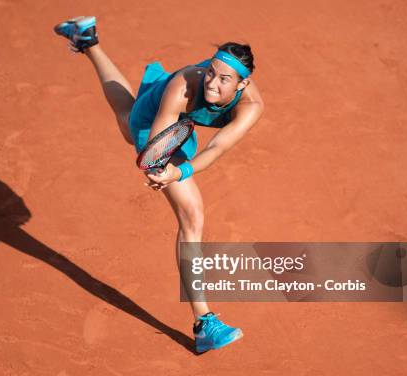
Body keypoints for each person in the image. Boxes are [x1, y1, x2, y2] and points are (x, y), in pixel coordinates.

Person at [54, 16, 264, 353]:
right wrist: (160, 170)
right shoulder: (186, 84)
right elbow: (155, 148)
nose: (212, 83)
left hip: (183, 125)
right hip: (160, 119)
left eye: (224, 79)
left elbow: (218, 148)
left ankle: (88, 41)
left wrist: (179, 173)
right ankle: (204, 323)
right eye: (210, 72)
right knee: (191, 213)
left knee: (123, 115)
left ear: (243, 84)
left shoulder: (252, 107)